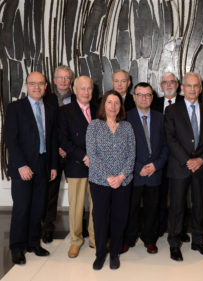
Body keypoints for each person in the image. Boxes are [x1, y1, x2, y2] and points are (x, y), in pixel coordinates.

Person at [5, 72, 58, 264]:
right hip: (23, 167)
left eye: (40, 84)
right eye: (33, 84)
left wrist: (53, 165)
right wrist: (21, 165)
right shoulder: (15, 108)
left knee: (38, 207)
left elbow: (52, 139)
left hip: (44, 164)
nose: (37, 87)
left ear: (46, 86)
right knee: (22, 208)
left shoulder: (51, 109)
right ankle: (17, 247)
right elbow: (11, 139)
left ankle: (34, 243)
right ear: (27, 85)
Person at [164, 72, 203, 262]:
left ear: (201, 89)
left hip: (201, 167)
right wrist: (187, 160)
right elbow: (170, 138)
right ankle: (174, 243)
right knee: (177, 207)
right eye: (189, 86)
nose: (193, 89)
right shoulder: (171, 111)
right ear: (182, 88)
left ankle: (198, 241)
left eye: (196, 86)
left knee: (199, 206)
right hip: (179, 166)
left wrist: (201, 159)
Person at [86, 90, 135, 270]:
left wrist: (121, 176)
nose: (113, 106)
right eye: (109, 102)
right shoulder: (94, 126)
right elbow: (93, 155)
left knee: (119, 218)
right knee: (100, 218)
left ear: (120, 106)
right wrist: (108, 177)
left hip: (123, 182)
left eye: (116, 103)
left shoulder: (127, 127)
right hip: (100, 181)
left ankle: (114, 254)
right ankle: (100, 254)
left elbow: (132, 155)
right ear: (103, 105)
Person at [123, 82, 168, 254]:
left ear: (152, 97)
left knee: (153, 208)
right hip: (134, 173)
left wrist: (156, 165)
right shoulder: (126, 118)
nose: (144, 98)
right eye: (140, 94)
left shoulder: (161, 117)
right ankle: (129, 238)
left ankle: (150, 239)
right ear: (134, 97)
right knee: (131, 208)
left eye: (148, 95)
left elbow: (166, 146)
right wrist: (137, 167)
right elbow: (124, 148)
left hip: (154, 173)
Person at [58, 76, 96, 258]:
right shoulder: (65, 111)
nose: (86, 92)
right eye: (82, 88)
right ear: (75, 90)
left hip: (98, 166)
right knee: (76, 207)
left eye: (89, 88)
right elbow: (64, 140)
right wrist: (83, 156)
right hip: (76, 164)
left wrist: (95, 157)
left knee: (98, 204)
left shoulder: (99, 109)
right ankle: (75, 241)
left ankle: (95, 237)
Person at [151, 72, 189, 242]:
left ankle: (179, 230)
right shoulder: (155, 103)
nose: (168, 85)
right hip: (159, 157)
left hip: (179, 158)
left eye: (171, 82)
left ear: (177, 85)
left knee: (179, 199)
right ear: (161, 86)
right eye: (165, 82)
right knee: (158, 196)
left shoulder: (185, 103)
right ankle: (159, 228)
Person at [42, 65, 74, 243]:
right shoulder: (45, 100)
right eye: (60, 77)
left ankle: (81, 224)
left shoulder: (79, 98)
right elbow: (46, 130)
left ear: (71, 80)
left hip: (73, 154)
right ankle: (47, 227)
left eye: (66, 77)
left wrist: (67, 148)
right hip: (53, 154)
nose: (63, 81)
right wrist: (58, 148)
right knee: (50, 193)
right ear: (54, 80)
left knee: (80, 191)